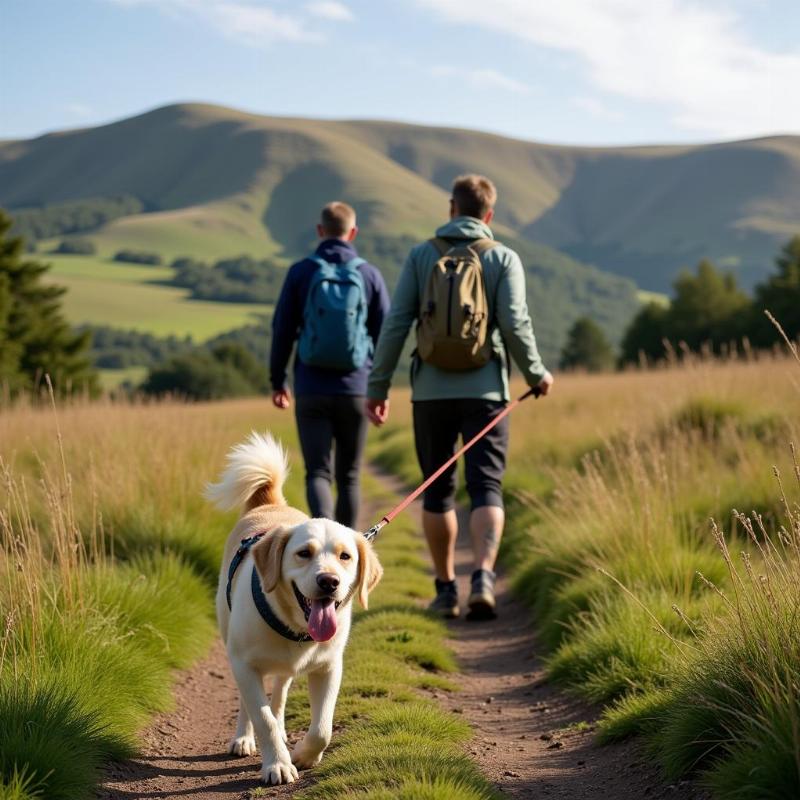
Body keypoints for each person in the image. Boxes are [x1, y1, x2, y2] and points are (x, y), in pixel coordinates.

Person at [366, 175, 553, 620]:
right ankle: (483, 577)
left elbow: (396, 325)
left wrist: (378, 386)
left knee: (437, 489)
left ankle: (446, 588)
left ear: (452, 209)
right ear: (489, 215)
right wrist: (537, 373)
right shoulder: (503, 257)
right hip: (487, 390)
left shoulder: (421, 255)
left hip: (429, 393)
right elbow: (515, 323)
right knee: (486, 485)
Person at [270, 201, 390, 528]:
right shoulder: (369, 274)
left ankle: (323, 543)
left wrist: (278, 380)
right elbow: (386, 336)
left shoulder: (301, 272)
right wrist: (380, 389)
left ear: (320, 231)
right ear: (353, 232)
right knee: (349, 476)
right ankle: (346, 555)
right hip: (356, 389)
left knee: (318, 473)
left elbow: (282, 329)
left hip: (310, 388)